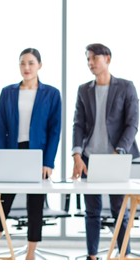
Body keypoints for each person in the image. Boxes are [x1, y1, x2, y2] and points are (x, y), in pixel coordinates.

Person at [0, 48, 62, 260]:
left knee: (35, 204)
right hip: (12, 152)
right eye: (22, 63)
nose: (26, 68)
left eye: (30, 63)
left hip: (38, 155)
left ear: (39, 65)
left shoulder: (52, 94)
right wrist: (2, 158)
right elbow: (0, 128)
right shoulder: (7, 92)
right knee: (3, 203)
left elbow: (55, 131)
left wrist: (48, 162)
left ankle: (30, 254)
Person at [71, 43, 139, 260]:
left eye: (94, 59)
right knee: (92, 210)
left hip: (115, 157)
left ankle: (124, 256)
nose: (90, 63)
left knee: (120, 210)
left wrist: (120, 152)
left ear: (107, 58)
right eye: (87, 60)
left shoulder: (126, 87)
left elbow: (133, 123)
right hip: (90, 159)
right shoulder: (84, 90)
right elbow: (78, 124)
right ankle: (92, 256)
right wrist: (77, 155)